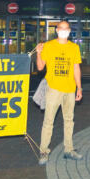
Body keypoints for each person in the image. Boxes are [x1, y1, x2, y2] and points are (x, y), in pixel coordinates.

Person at [35, 20, 84, 164]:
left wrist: (79, 87)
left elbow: (76, 68)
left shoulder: (74, 47)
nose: (63, 30)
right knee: (48, 121)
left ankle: (69, 149)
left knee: (69, 120)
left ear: (70, 31)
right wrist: (38, 53)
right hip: (53, 89)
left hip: (69, 89)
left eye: (66, 28)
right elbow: (39, 67)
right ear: (57, 30)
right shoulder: (48, 46)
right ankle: (44, 152)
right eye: (61, 28)